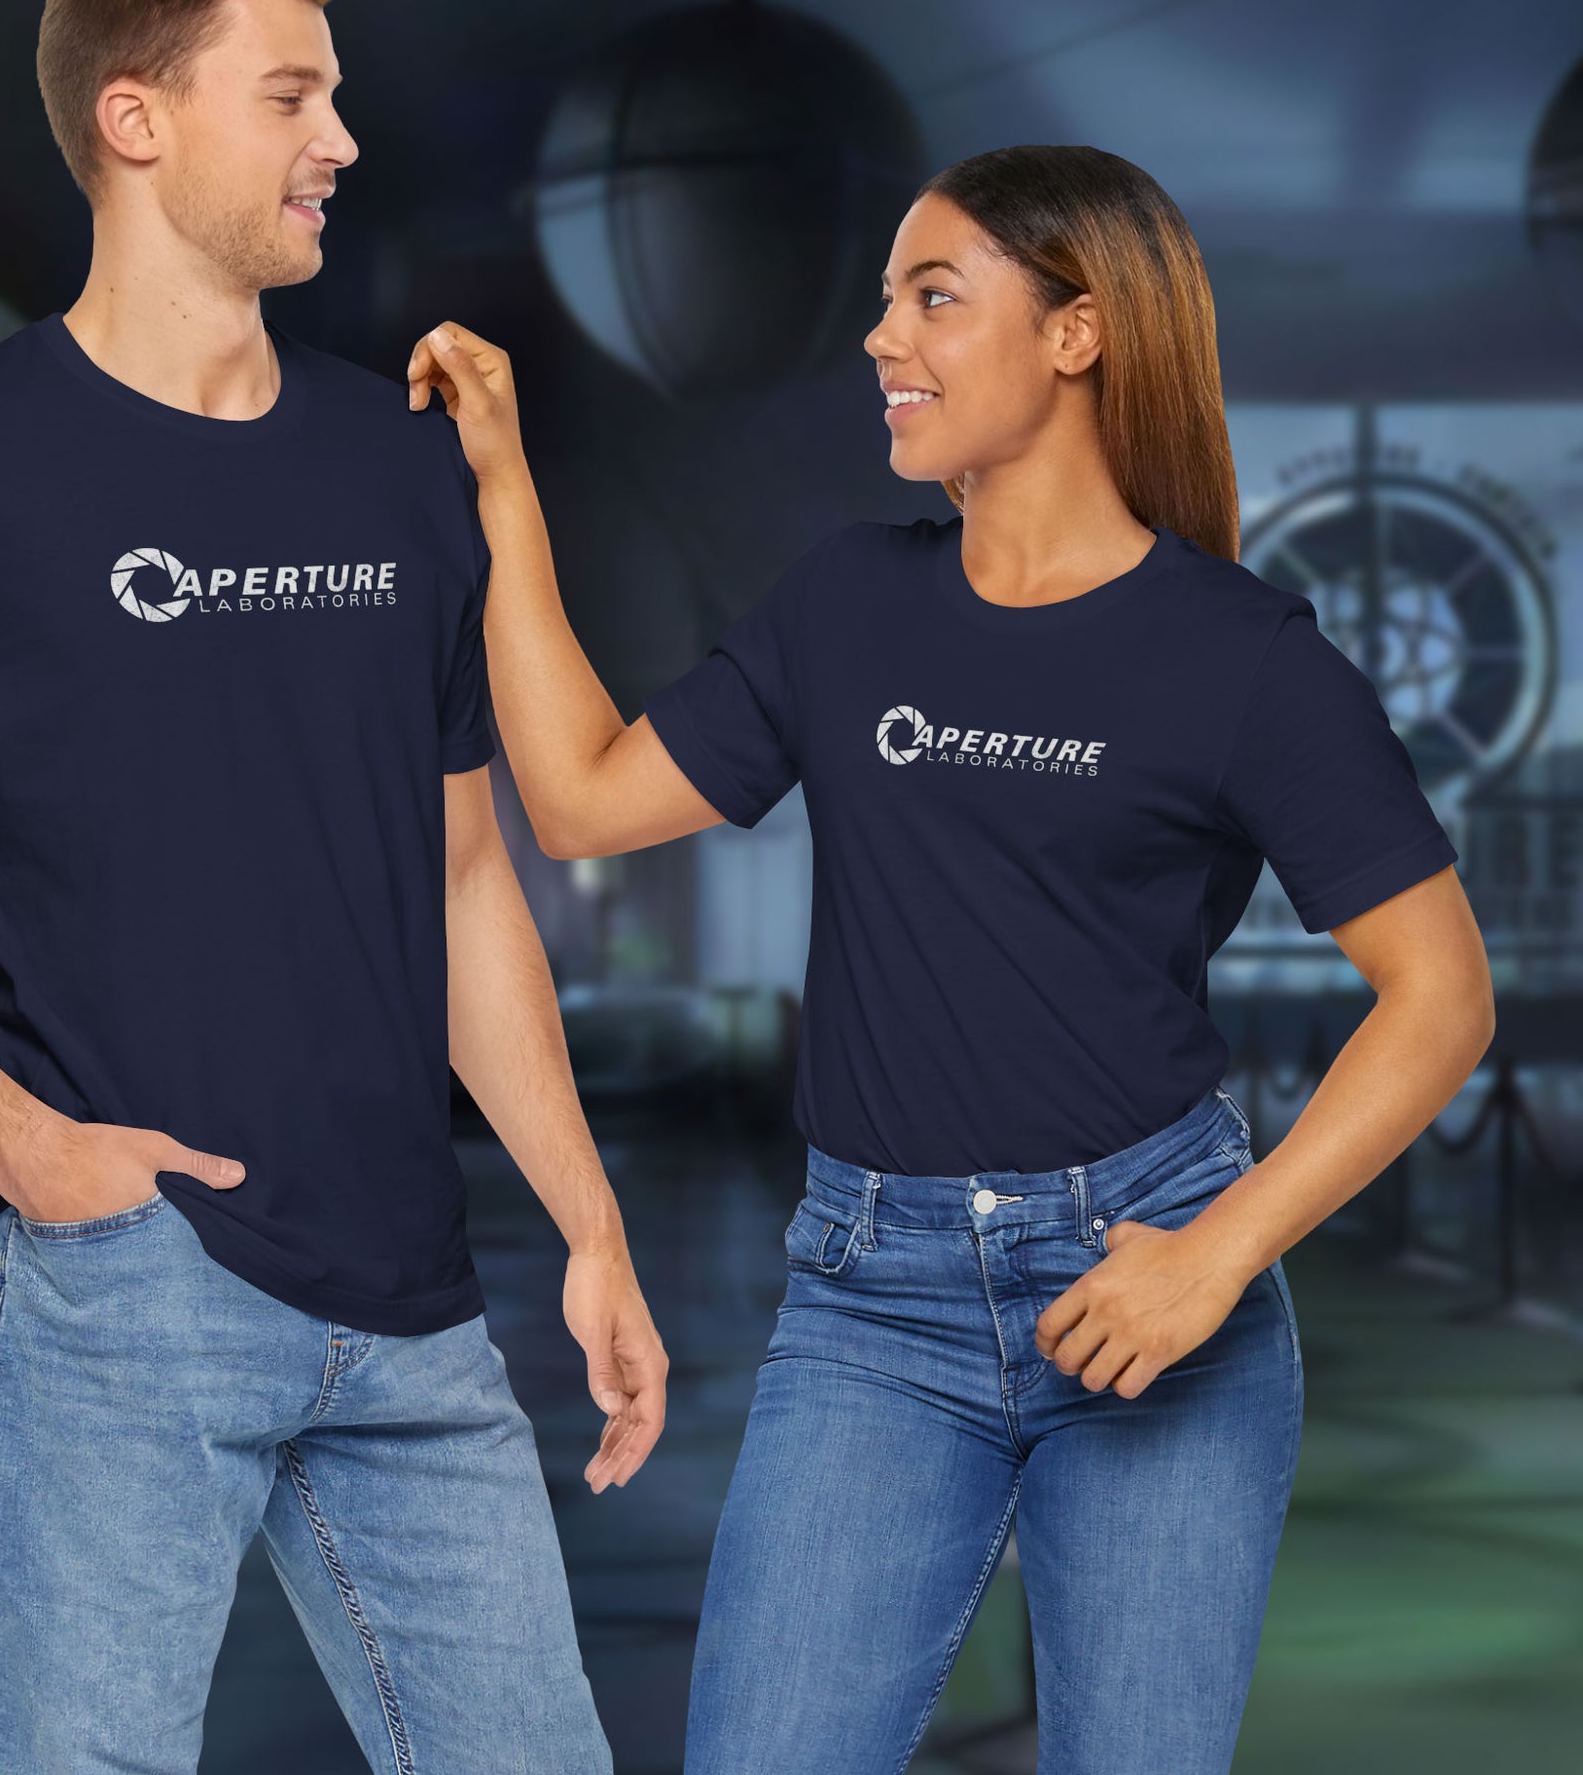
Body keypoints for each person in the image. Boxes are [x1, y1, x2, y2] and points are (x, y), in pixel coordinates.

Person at [406, 142, 1496, 1775]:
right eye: (883, 299)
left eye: (932, 295)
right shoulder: (850, 602)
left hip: (1152, 1291)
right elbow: (573, 800)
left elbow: (1440, 995)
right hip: (871, 1305)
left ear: (1075, 334)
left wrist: (1211, 1255)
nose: (878, 338)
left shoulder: (1245, 661)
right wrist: (503, 489)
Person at [0, 0, 664, 1775]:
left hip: (410, 1293)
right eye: (294, 96)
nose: (342, 142)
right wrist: (24, 1145)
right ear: (138, 122)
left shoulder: (395, 469)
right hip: (111, 1288)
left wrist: (585, 1216)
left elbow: (469, 880)